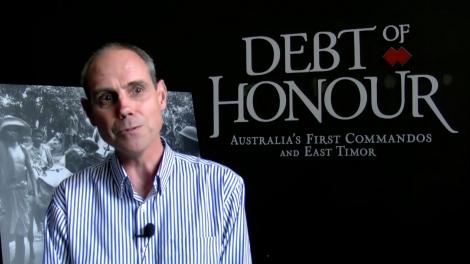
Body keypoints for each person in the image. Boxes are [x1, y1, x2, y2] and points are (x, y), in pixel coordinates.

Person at [43, 43, 252, 263]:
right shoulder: (68, 200)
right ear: (89, 112)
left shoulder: (222, 186)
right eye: (106, 97)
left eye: (137, 90)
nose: (124, 108)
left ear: (161, 96)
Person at [0, 115, 37, 264]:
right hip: (6, 193)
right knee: (6, 228)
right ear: (4, 132)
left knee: (22, 228)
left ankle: (20, 259)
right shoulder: (1, 148)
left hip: (22, 193)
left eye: (15, 130)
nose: (12, 133)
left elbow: (31, 171)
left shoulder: (23, 149)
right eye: (9, 130)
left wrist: (35, 191)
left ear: (20, 133)